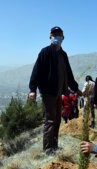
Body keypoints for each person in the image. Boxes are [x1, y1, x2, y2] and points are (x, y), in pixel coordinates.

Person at [29, 26, 82, 154]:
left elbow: (68, 74)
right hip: (48, 92)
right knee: (50, 120)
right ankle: (47, 150)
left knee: (57, 120)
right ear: (50, 37)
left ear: (63, 37)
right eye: (54, 34)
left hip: (60, 93)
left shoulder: (63, 55)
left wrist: (75, 88)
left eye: (59, 34)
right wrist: (32, 89)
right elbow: (36, 70)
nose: (57, 36)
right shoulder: (45, 52)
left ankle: (54, 146)